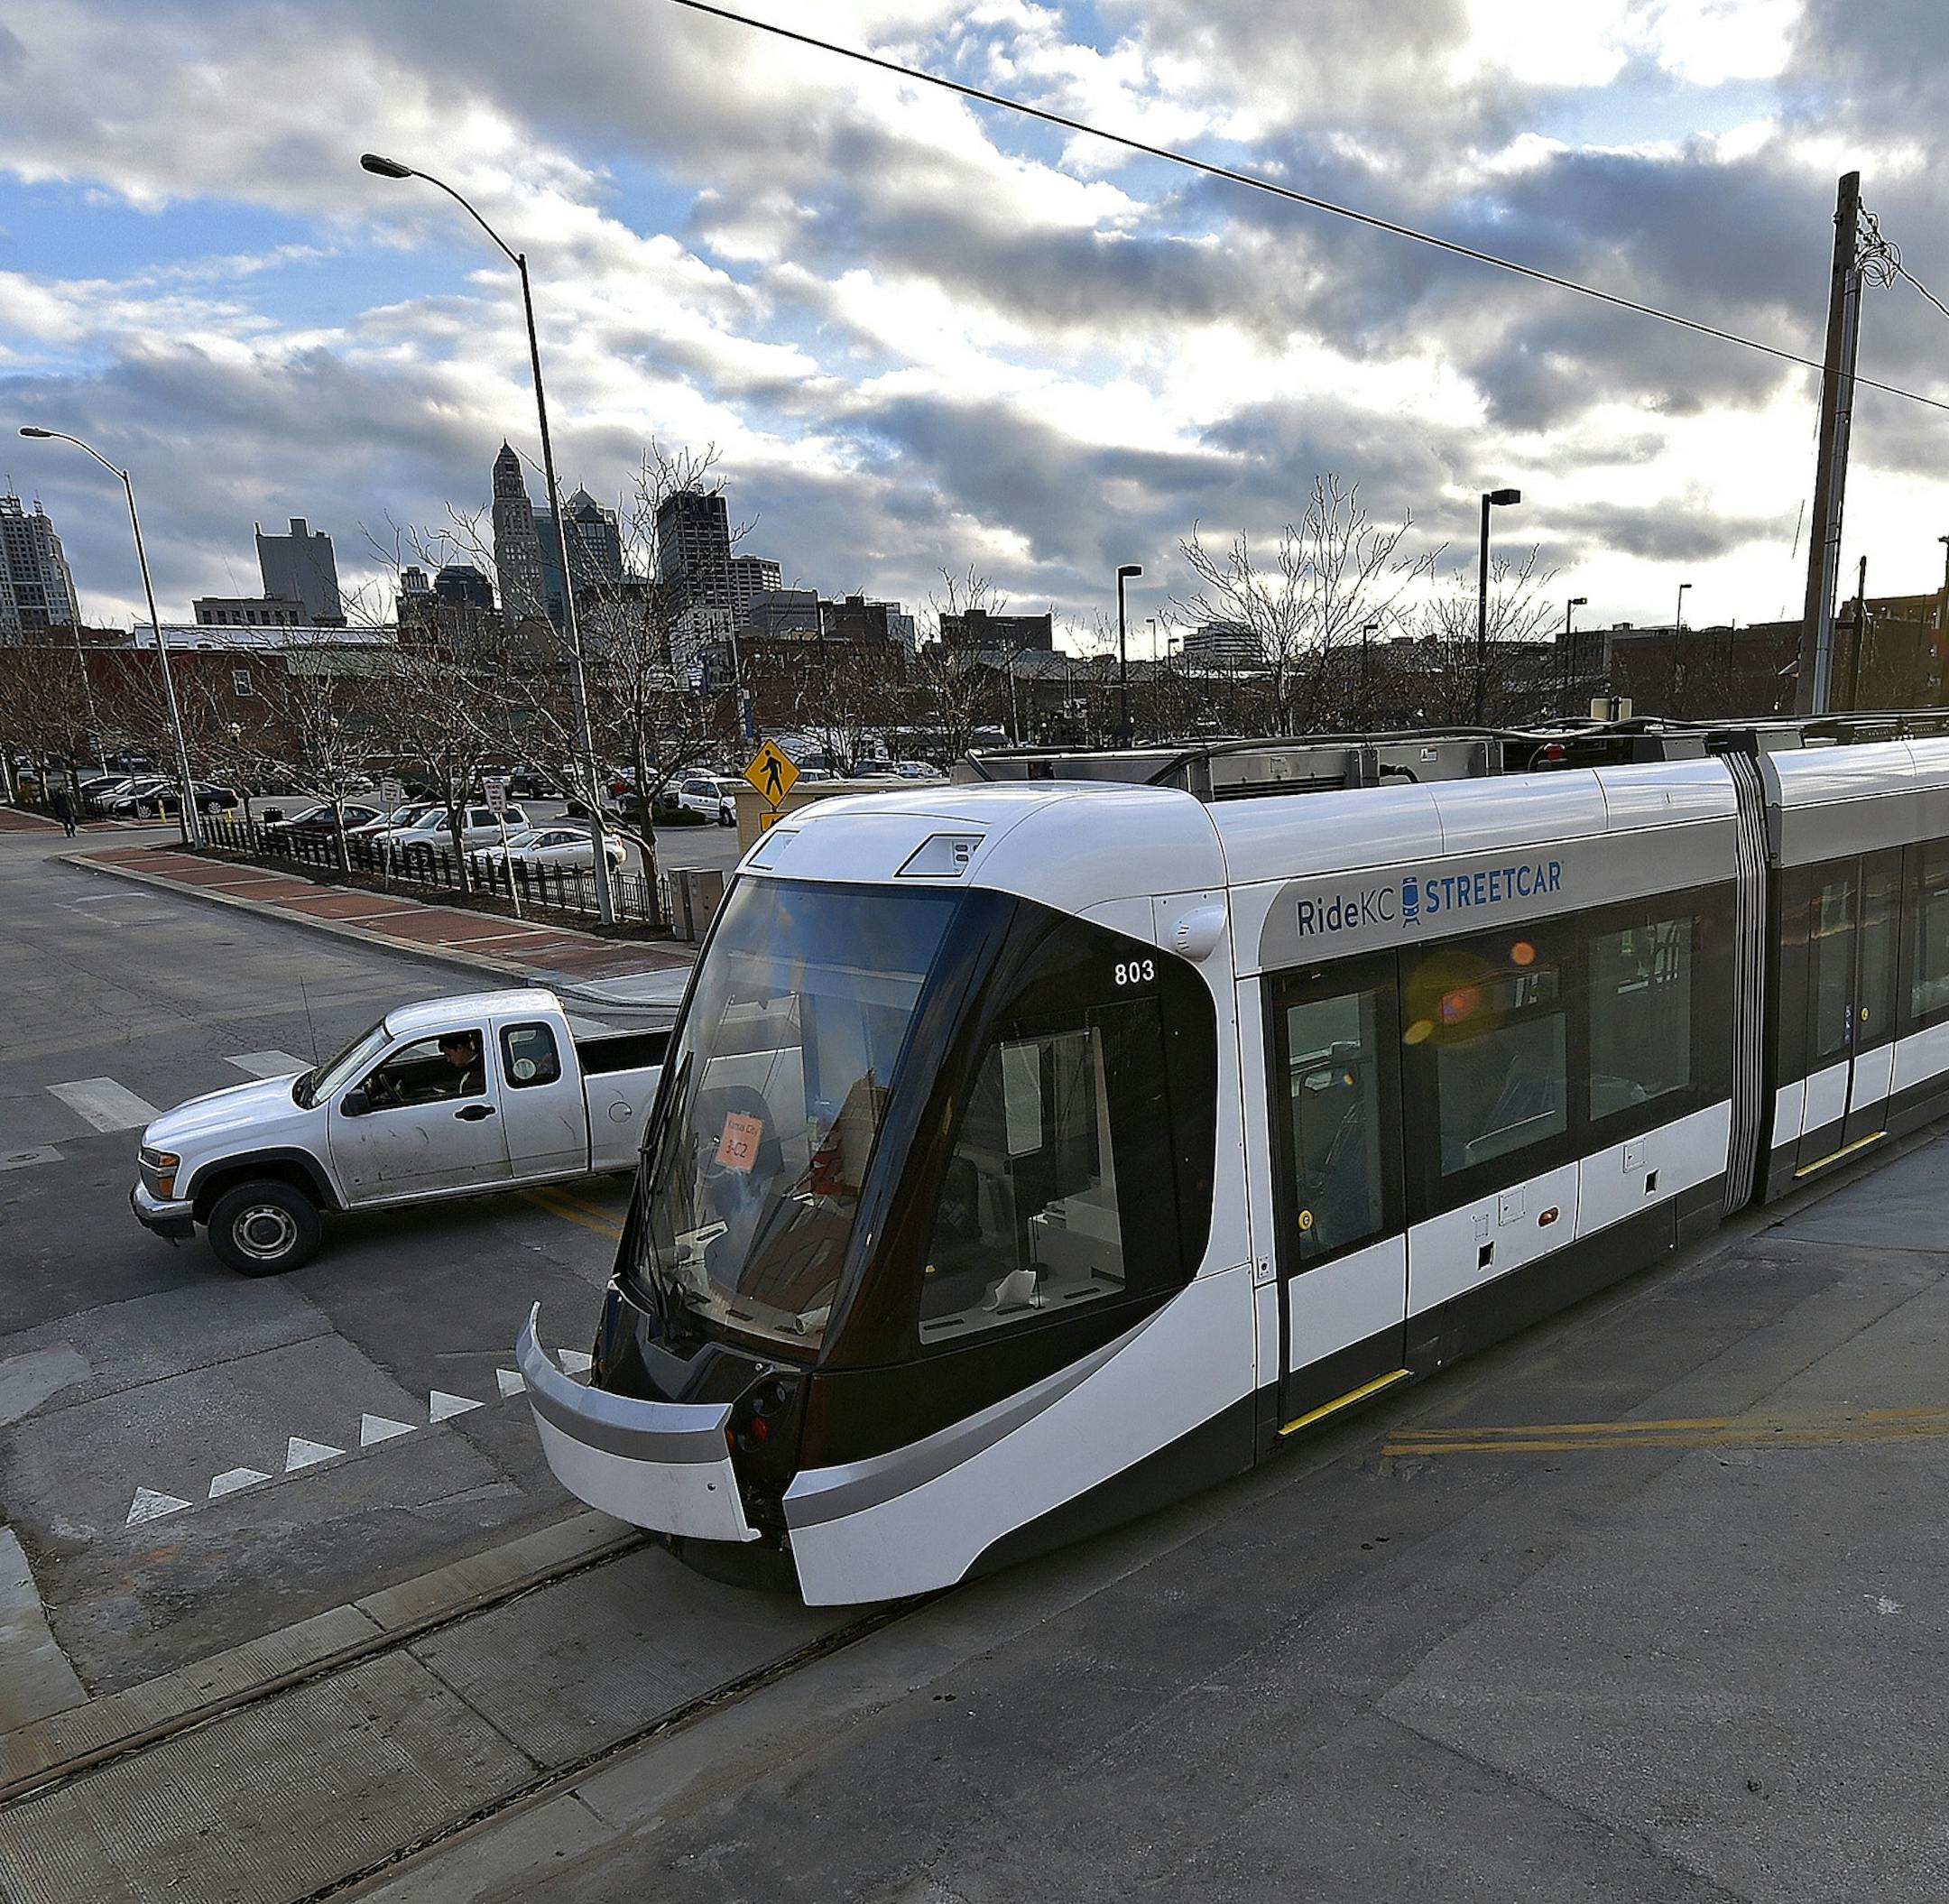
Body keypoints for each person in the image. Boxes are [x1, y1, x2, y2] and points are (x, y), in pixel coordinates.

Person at [436, 1031, 485, 1097]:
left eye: (449, 1055)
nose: (448, 1060)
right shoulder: (469, 1067)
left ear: (460, 1048)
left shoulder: (477, 1072)